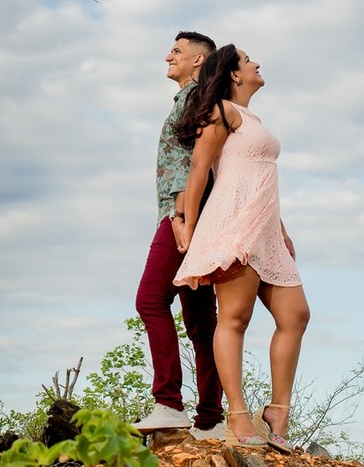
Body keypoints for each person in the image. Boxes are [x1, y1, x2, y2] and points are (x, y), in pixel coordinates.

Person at [172, 45, 309, 451]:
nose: (257, 64)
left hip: (265, 229)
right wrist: (191, 226)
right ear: (233, 74)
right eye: (249, 60)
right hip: (233, 225)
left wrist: (281, 228)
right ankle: (237, 414)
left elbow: (259, 178)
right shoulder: (223, 111)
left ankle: (278, 411)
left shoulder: (252, 117)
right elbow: (200, 168)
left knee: (296, 315)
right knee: (236, 318)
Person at [132, 31, 225, 438]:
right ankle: (212, 419)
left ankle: (168, 403)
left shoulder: (193, 100)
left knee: (151, 299)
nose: (168, 55)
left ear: (198, 61)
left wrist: (179, 212)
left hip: (184, 213)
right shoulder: (195, 101)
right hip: (197, 213)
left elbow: (196, 163)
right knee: (200, 320)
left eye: (177, 51)